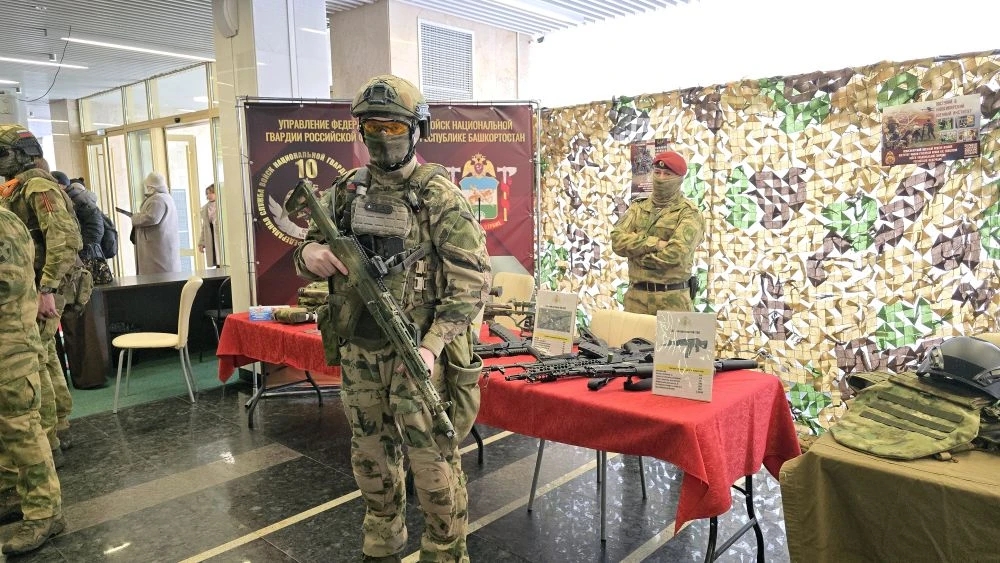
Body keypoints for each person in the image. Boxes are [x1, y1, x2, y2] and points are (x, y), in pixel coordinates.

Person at [293, 74, 491, 563]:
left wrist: (432, 345)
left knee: (433, 463)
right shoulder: (345, 191)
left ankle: (444, 551)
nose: (383, 136)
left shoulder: (440, 197)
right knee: (370, 455)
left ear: (417, 129)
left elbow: (472, 283)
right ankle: (383, 540)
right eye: (373, 126)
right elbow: (308, 249)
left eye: (394, 126)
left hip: (418, 353)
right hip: (360, 348)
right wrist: (310, 255)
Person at [0, 124, 80, 459]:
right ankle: (58, 423)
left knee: (34, 361)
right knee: (45, 355)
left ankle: (47, 441)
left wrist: (46, 289)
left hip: (43, 286)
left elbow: (64, 239)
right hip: (34, 285)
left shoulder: (37, 185)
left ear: (21, 154)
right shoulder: (18, 187)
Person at [0, 207, 65, 555]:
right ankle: (12, 493)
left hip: (9, 348)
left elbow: (9, 285)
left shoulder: (3, 224)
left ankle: (45, 513)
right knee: (6, 432)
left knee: (21, 429)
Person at [610, 150, 705, 313]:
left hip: (672, 302)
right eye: (657, 172)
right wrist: (655, 243)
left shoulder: (689, 213)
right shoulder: (638, 208)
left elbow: (675, 255)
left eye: (667, 174)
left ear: (679, 179)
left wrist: (635, 255)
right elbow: (617, 241)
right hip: (636, 300)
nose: (661, 178)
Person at [132, 171, 180, 274]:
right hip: (161, 245)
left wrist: (135, 218)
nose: (147, 188)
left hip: (155, 247)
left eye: (148, 186)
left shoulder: (157, 199)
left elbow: (152, 218)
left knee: (156, 277)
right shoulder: (167, 198)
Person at [198, 183, 220, 267]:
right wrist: (201, 243)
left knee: (223, 259)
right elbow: (204, 227)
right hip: (210, 236)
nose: (209, 195)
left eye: (211, 193)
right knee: (215, 260)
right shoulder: (204, 208)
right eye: (207, 193)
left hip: (220, 237)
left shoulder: (222, 205)